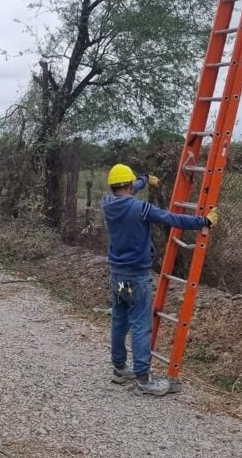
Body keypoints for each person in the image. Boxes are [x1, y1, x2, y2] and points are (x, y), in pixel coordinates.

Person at [102, 163, 217, 396]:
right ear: (128, 184)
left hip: (119, 277)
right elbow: (172, 218)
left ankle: (119, 368)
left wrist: (145, 179)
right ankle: (143, 379)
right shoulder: (141, 209)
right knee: (141, 325)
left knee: (120, 320)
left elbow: (128, 188)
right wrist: (204, 221)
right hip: (137, 278)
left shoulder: (106, 203)